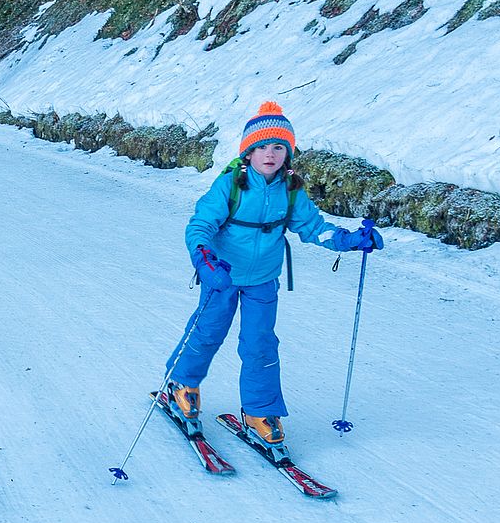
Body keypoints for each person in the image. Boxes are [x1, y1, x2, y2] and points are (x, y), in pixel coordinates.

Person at [164, 102, 383, 448]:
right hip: (221, 274)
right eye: (262, 146)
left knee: (260, 343)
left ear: (288, 153)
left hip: (264, 278)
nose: (270, 154)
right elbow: (200, 225)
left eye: (279, 147)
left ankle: (259, 410)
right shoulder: (229, 186)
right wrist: (204, 258)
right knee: (207, 332)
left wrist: (349, 239)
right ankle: (181, 383)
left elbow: (313, 227)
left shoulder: (290, 190)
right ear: (248, 152)